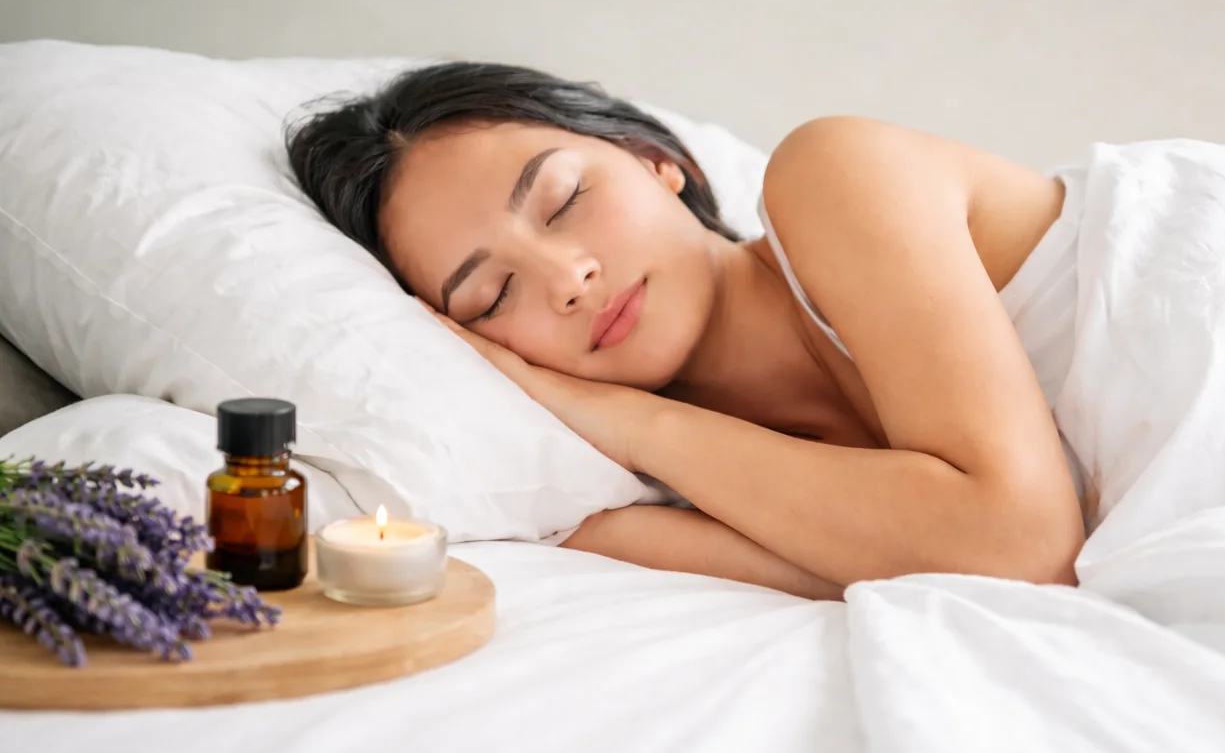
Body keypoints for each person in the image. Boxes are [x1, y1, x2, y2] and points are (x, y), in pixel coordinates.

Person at [286, 62, 1085, 600]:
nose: (569, 281)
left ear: (656, 161)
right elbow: (965, 569)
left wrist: (637, 423)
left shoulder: (833, 175)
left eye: (563, 199)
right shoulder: (624, 517)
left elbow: (1020, 546)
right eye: (493, 296)